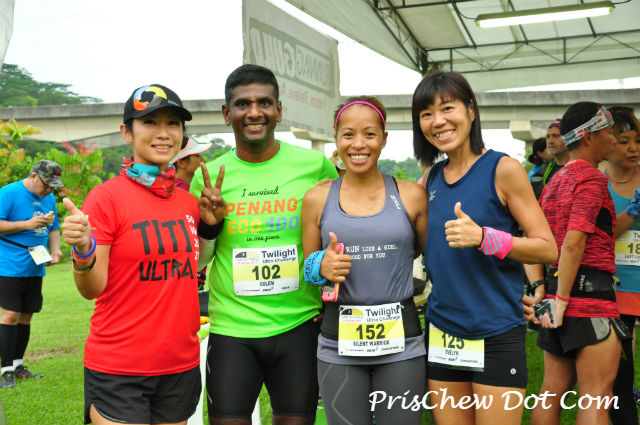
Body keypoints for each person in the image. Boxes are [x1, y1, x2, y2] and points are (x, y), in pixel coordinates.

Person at [61, 84, 225, 425]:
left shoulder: (187, 202)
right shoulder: (106, 198)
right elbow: (92, 289)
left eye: (173, 123)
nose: (163, 133)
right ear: (127, 132)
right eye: (150, 122)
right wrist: (83, 249)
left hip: (179, 363)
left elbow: (191, 268)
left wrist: (210, 228)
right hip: (119, 366)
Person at [190, 64, 338, 425]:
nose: (254, 112)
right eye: (242, 104)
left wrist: (330, 301)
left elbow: (335, 236)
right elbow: (199, 261)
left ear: (279, 110)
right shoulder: (208, 178)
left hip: (299, 324)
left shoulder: (314, 165)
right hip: (233, 330)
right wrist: (211, 225)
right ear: (227, 114)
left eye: (264, 103)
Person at [412, 71, 557, 425]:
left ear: (471, 110)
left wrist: (484, 238)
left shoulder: (503, 169)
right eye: (427, 114)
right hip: (442, 330)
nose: (438, 121)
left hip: (496, 331)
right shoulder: (430, 179)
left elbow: (546, 248)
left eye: (447, 108)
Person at [301, 96, 428, 425]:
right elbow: (308, 267)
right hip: (338, 342)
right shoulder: (317, 198)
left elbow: (417, 250)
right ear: (336, 138)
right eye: (348, 134)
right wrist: (321, 266)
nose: (358, 144)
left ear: (384, 139)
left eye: (369, 134)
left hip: (401, 341)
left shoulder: (411, 195)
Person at [529, 102, 629, 425]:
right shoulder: (592, 179)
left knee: (550, 392)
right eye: (609, 132)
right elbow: (574, 241)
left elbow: (533, 239)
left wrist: (543, 290)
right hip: (587, 300)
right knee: (596, 399)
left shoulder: (553, 182)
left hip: (556, 295)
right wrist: (561, 300)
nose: (613, 139)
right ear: (589, 137)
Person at [0, 160, 63, 389]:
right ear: (34, 176)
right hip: (9, 264)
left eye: (53, 187)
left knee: (27, 315)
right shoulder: (8, 193)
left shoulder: (49, 198)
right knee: (10, 315)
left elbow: (53, 228)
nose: (48, 191)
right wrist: (27, 224)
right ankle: (6, 370)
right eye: (46, 185)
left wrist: (55, 250)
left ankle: (18, 365)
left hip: (35, 263)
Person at [604, 106, 640, 425]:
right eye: (625, 141)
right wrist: (633, 211)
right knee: (620, 377)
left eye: (637, 141)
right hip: (618, 289)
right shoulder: (597, 184)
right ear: (608, 143)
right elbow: (602, 236)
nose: (633, 148)